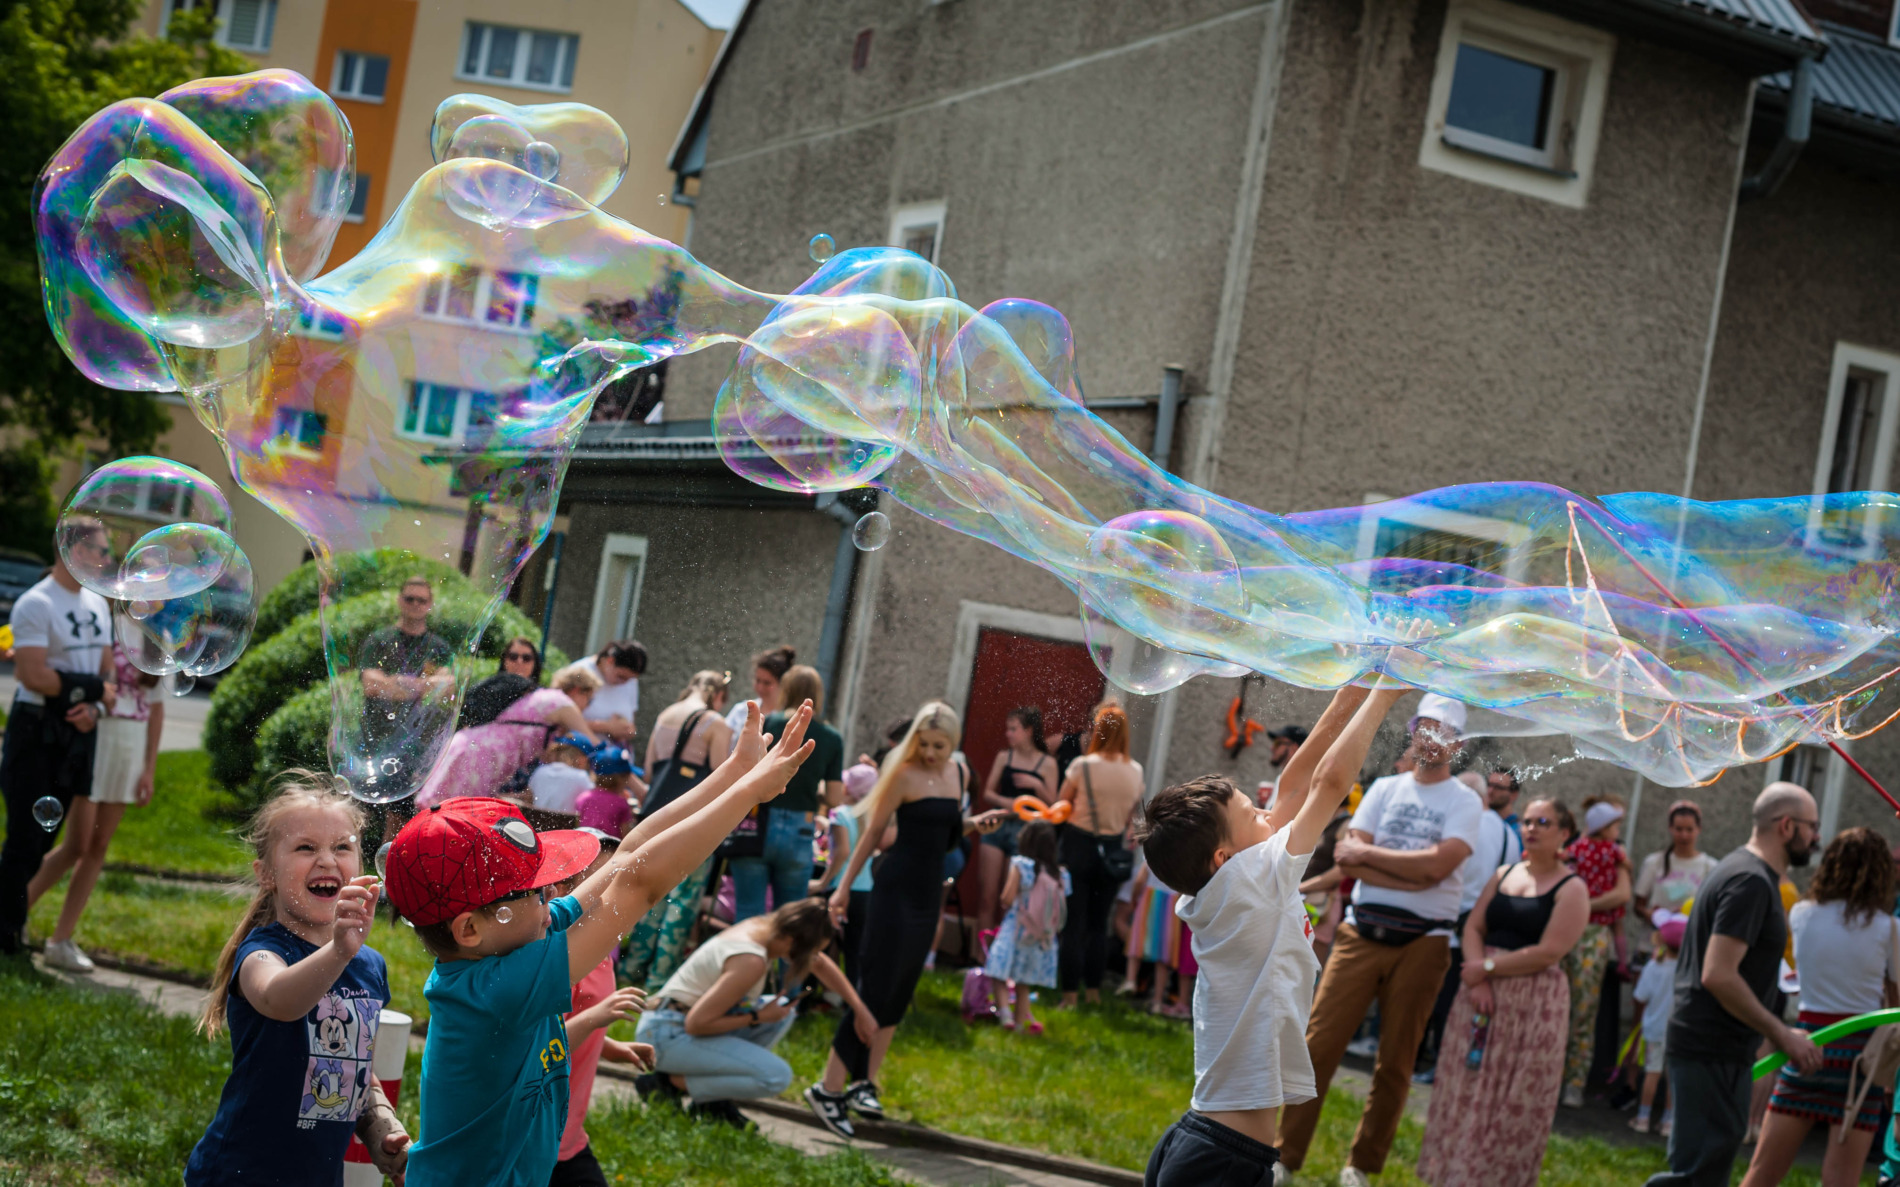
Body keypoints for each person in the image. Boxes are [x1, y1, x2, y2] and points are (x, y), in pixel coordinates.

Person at [385, 702, 814, 1186]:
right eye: (534, 889)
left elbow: (626, 855)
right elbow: (638, 885)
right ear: (469, 930)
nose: (552, 892)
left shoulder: (515, 937)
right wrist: (749, 793)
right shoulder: (493, 990)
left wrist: (734, 773)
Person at [1135, 684, 1402, 1187]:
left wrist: (1350, 693)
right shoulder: (1256, 878)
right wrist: (1383, 697)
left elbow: (1293, 785)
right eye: (1252, 814)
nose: (1267, 813)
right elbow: (1327, 784)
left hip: (1208, 1145)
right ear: (1225, 857)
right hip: (1221, 1160)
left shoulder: (1226, 887)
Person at [1277, 693, 1485, 1185]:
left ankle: (1361, 1166)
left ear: (1458, 744)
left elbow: (1438, 867)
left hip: (1424, 942)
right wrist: (1411, 872)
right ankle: (1284, 1155)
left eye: (1444, 731)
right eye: (1425, 727)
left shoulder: (1465, 801)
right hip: (1361, 932)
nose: (1432, 738)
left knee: (1395, 1062)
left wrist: (1373, 859)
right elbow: (1348, 858)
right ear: (1412, 731)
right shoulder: (1386, 789)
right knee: (1318, 1045)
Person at [185, 777, 409, 1186]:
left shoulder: (370, 966)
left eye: (342, 847)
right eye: (306, 848)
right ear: (266, 874)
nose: (326, 860)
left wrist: (382, 1132)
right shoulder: (262, 954)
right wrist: (339, 952)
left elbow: (353, 1070)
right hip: (238, 1176)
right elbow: (279, 1001)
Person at [808, 702, 1008, 1137]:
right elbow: (873, 835)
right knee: (875, 988)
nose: (931, 752)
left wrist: (974, 824)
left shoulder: (958, 773)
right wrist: (842, 888)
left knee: (900, 990)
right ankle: (828, 1087)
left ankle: (865, 1083)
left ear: (953, 745)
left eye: (940, 745)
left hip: (928, 893)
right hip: (895, 889)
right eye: (925, 743)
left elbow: (945, 835)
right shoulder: (901, 775)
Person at [1643, 782, 1823, 1187]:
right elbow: (1718, 973)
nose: (1817, 837)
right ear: (1787, 826)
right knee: (1697, 1177)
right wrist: (1781, 1033)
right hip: (1712, 1047)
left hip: (1716, 1046)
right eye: (1812, 826)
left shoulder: (1739, 870)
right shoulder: (1750, 881)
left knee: (1703, 1172)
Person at [1414, 798, 1590, 1187]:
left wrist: (1487, 969)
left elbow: (1549, 952)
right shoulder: (1503, 873)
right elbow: (1473, 928)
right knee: (1466, 1083)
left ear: (1564, 833)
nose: (1531, 828)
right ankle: (1451, 1174)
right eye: (1527, 821)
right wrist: (1478, 979)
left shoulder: (1572, 888)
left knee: (1512, 1095)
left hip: (1532, 1005)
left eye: (1543, 822)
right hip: (1480, 997)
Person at [1740, 826, 1900, 1187]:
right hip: (1861, 1058)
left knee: (1762, 1172)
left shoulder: (1801, 914)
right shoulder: (1889, 928)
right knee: (1841, 1180)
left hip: (1806, 1046)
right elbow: (1896, 1005)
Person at [636, 897, 876, 1125]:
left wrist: (859, 1010)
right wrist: (758, 1017)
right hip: (663, 1037)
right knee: (776, 1076)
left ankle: (711, 1100)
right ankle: (669, 1084)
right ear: (791, 940)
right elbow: (696, 1024)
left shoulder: (763, 928)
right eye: (806, 953)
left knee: (782, 1011)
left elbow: (821, 964)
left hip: (668, 1024)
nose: (808, 959)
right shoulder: (751, 960)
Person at [0, 546, 113, 957]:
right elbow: (32, 675)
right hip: (36, 728)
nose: (106, 558)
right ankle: (7, 937)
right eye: (101, 549)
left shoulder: (97, 604)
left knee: (44, 838)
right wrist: (93, 691)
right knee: (24, 839)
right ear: (74, 548)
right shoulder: (37, 602)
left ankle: (10, 927)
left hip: (79, 730)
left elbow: (107, 675)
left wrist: (95, 707)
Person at [27, 635, 164, 973]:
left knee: (99, 845)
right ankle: (13, 913)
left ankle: (60, 941)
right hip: (96, 739)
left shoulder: (161, 637)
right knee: (76, 844)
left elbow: (157, 707)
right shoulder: (104, 628)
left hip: (130, 747)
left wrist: (148, 769)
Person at [549, 828, 654, 1187]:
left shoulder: (600, 953)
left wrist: (608, 1046)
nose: (614, 894)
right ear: (562, 888)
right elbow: (536, 1048)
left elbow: (571, 1023)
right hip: (533, 1133)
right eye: (600, 882)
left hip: (567, 1135)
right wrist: (596, 1017)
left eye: (617, 881)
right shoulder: (558, 960)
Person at [623, 670, 733, 990]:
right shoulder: (715, 723)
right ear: (719, 695)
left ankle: (631, 970)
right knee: (683, 899)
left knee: (650, 894)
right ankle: (659, 978)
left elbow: (649, 771)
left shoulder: (665, 716)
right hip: (693, 822)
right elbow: (721, 780)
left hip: (657, 817)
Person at [1415, 767, 1524, 1083]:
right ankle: (1445, 1063)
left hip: (1446, 922)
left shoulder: (1465, 826)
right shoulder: (1509, 835)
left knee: (1433, 999)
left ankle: (1425, 1061)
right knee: (1454, 1003)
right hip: (1478, 928)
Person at [735, 666, 844, 922]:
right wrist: (812, 787)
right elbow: (835, 798)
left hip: (757, 823)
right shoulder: (832, 737)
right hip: (800, 828)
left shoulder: (770, 723)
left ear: (786, 690)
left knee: (748, 915)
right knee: (791, 921)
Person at [1054, 703, 1144, 1007]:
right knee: (1098, 924)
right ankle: (1093, 992)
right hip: (1112, 851)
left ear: (1098, 731)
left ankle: (1069, 995)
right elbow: (1133, 818)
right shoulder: (1135, 771)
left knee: (1074, 923)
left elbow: (1061, 806)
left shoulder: (1083, 766)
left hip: (1079, 846)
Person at [415, 668, 600, 809]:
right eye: (589, 700)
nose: (587, 707)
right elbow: (593, 743)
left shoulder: (542, 699)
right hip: (481, 756)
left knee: (437, 814)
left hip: (470, 746)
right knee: (458, 818)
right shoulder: (561, 702)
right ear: (578, 691)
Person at [356, 576, 455, 781]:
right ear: (400, 600)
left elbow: (447, 688)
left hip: (419, 744)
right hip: (376, 738)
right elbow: (371, 685)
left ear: (430, 604)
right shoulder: (379, 640)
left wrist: (396, 683)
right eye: (410, 599)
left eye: (422, 600)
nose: (415, 604)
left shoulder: (440, 647)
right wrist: (425, 686)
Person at [984, 819, 1069, 1034]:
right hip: (1040, 937)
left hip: (1015, 930)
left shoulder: (1021, 864)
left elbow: (1007, 898)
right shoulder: (1061, 874)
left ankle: (1005, 1016)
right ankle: (1020, 1026)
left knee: (998, 973)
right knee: (1024, 984)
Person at [977, 706, 1056, 922]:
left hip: (1024, 832)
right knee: (987, 897)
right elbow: (988, 793)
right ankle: (981, 945)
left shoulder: (1047, 763)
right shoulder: (1004, 757)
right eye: (1007, 729)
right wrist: (1009, 803)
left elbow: (1053, 805)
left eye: (1013, 729)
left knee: (1009, 900)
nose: (1008, 734)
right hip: (998, 825)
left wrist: (1036, 785)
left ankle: (1004, 943)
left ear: (1029, 731)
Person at [820, 760, 882, 981]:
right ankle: (854, 993)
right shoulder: (873, 817)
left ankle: (821, 992)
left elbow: (842, 852)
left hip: (839, 887)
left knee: (825, 944)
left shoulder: (840, 814)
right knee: (855, 948)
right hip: (865, 889)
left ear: (847, 788)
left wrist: (822, 882)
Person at [1631, 913, 1686, 1135]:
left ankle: (1642, 1118)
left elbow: (1640, 996)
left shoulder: (1653, 967)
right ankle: (1668, 1122)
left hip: (1654, 1030)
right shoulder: (1687, 971)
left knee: (1651, 1074)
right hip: (1679, 1033)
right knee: (1673, 1078)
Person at [1635, 801, 1718, 923]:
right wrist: (1652, 916)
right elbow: (1638, 905)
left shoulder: (1711, 867)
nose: (1684, 835)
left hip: (1690, 934)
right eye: (1679, 829)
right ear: (1670, 828)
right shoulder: (1654, 862)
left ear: (1698, 829)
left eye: (1689, 829)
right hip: (1655, 934)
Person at [555, 639, 644, 744]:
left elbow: (631, 722)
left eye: (630, 679)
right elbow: (560, 720)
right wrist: (607, 727)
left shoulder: (630, 682)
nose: (624, 683)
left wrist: (627, 731)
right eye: (621, 677)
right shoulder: (579, 672)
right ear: (610, 660)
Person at [724, 644, 795, 748]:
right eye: (758, 681)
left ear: (782, 684)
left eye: (767, 683)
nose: (760, 687)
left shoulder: (786, 718)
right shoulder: (741, 710)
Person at [576, 750, 642, 839]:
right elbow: (626, 837)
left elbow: (578, 828)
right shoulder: (621, 803)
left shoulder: (583, 798)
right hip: (611, 847)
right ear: (620, 778)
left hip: (586, 844)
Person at [528, 743, 595, 818]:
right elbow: (595, 800)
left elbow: (529, 798)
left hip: (536, 821)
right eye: (589, 762)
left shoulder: (541, 771)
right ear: (581, 759)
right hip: (565, 824)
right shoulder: (581, 776)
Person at [1257, 723, 1309, 808]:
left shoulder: (1301, 783)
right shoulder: (1281, 779)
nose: (1272, 748)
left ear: (1294, 748)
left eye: (1278, 743)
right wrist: (1265, 806)